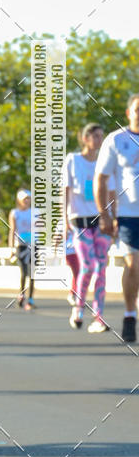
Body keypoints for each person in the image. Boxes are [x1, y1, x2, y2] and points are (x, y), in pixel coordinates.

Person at [95, 94, 139, 343]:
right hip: (129, 215)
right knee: (134, 266)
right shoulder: (117, 140)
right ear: (129, 112)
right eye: (137, 109)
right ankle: (130, 314)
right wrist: (105, 215)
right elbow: (100, 179)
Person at [65, 124, 114, 332]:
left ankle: (99, 316)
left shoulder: (105, 163)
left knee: (101, 267)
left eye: (101, 136)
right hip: (80, 221)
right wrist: (63, 222)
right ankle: (78, 307)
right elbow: (64, 192)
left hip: (101, 220)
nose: (99, 139)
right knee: (87, 266)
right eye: (95, 136)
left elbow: (111, 193)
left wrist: (114, 219)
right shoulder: (73, 160)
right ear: (84, 138)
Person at [8, 189, 38, 310]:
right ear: (19, 200)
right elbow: (12, 230)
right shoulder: (15, 213)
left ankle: (30, 299)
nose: (27, 201)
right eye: (25, 199)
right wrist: (11, 248)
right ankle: (21, 294)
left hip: (33, 245)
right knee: (23, 272)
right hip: (20, 245)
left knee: (32, 273)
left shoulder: (34, 212)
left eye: (29, 199)